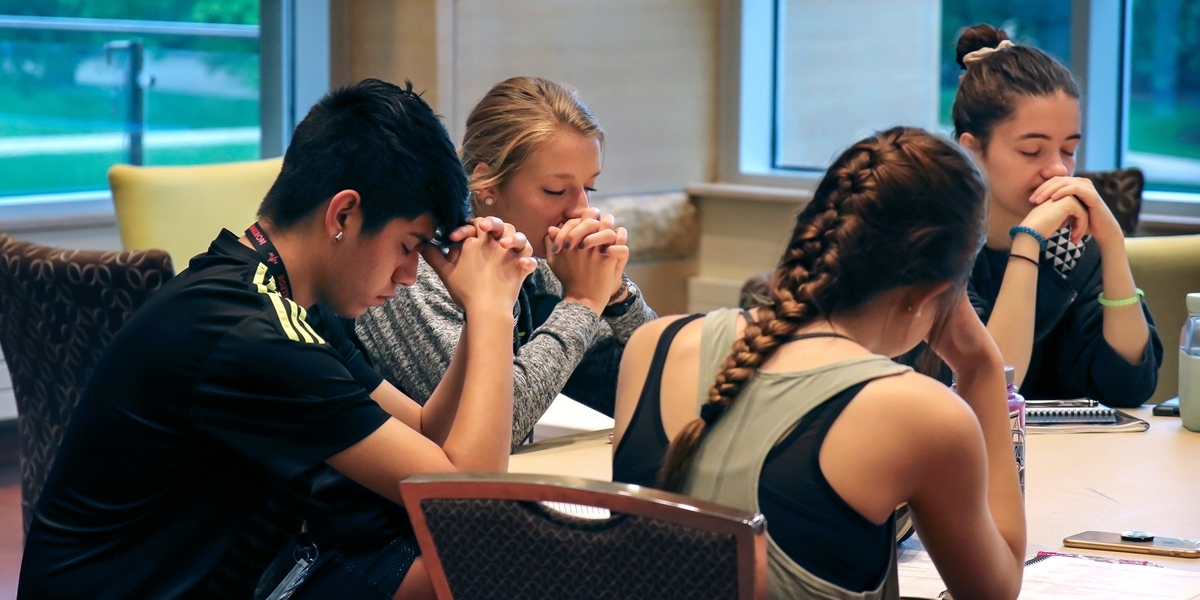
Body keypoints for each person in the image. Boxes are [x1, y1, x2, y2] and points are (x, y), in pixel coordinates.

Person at [18, 79, 535, 600]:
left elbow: (426, 430)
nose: (409, 274)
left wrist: (479, 313)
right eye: (407, 245)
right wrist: (492, 310)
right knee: (476, 567)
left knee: (443, 561)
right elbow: (471, 502)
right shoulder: (251, 335)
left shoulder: (277, 296)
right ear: (343, 215)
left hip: (238, 575)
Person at [612, 128, 1026, 600]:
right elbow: (996, 589)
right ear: (930, 296)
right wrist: (981, 367)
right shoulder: (922, 415)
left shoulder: (653, 345)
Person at [357, 76, 657, 442]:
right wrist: (582, 301)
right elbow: (495, 427)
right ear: (488, 185)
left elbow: (659, 376)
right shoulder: (417, 269)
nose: (581, 209)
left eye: (588, 187)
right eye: (556, 190)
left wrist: (615, 293)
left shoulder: (538, 254)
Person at [950, 24, 1162, 407]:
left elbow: (1130, 386)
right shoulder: (940, 247)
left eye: (1068, 150)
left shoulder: (1075, 244)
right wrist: (1027, 244)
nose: (1059, 170)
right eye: (1032, 151)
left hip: (1077, 460)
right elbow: (988, 394)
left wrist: (1111, 244)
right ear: (972, 150)